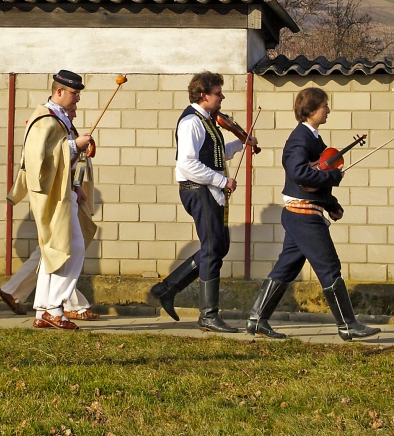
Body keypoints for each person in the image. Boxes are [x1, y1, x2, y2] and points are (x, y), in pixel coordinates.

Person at [245, 88, 380, 341]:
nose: (328, 110)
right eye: (324, 105)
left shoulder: (313, 138)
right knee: (329, 266)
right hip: (304, 216)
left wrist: (331, 204)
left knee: (286, 268)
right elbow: (300, 174)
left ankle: (256, 319)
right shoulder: (300, 139)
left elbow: (315, 180)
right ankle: (348, 325)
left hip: (303, 213)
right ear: (311, 110)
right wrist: (334, 176)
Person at [149, 71, 255, 333]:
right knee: (212, 249)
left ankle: (167, 289)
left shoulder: (207, 121)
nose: (222, 97)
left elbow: (216, 155)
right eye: (218, 93)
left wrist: (241, 143)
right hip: (198, 190)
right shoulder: (191, 122)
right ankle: (208, 315)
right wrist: (222, 181)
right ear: (203, 95)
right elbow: (187, 164)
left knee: (218, 246)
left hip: (208, 190)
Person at [9, 70, 92, 330]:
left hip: (62, 191)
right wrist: (74, 146)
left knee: (52, 250)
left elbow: (59, 158)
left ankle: (43, 309)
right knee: (70, 248)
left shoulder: (58, 118)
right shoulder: (44, 119)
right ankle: (55, 308)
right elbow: (38, 159)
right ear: (59, 91)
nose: (77, 98)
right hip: (51, 194)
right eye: (74, 93)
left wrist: (75, 184)